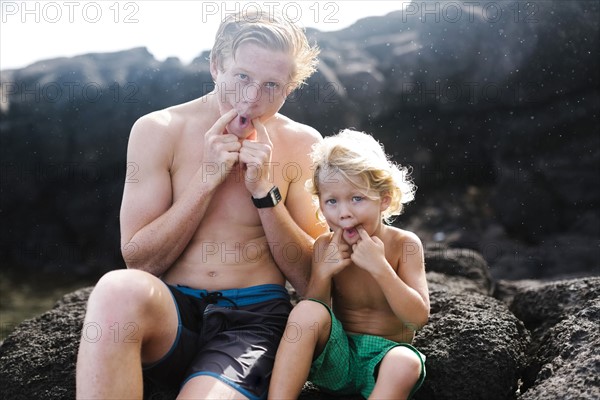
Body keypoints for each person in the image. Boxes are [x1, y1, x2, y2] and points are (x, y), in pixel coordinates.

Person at [76, 9, 326, 400]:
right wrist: (206, 179)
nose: (251, 98)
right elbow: (140, 262)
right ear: (215, 66)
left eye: (271, 86)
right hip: (170, 315)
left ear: (289, 88)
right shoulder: (158, 130)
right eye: (242, 77)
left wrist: (264, 193)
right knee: (116, 289)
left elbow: (312, 282)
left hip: (252, 321)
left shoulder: (302, 144)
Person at [269, 129, 430, 400]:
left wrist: (380, 268)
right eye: (331, 201)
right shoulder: (325, 246)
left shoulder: (405, 245)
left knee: (407, 363)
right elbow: (316, 314)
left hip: (384, 358)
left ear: (385, 199)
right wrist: (322, 273)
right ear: (320, 203)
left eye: (357, 198)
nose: (344, 213)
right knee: (306, 312)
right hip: (338, 357)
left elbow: (418, 318)